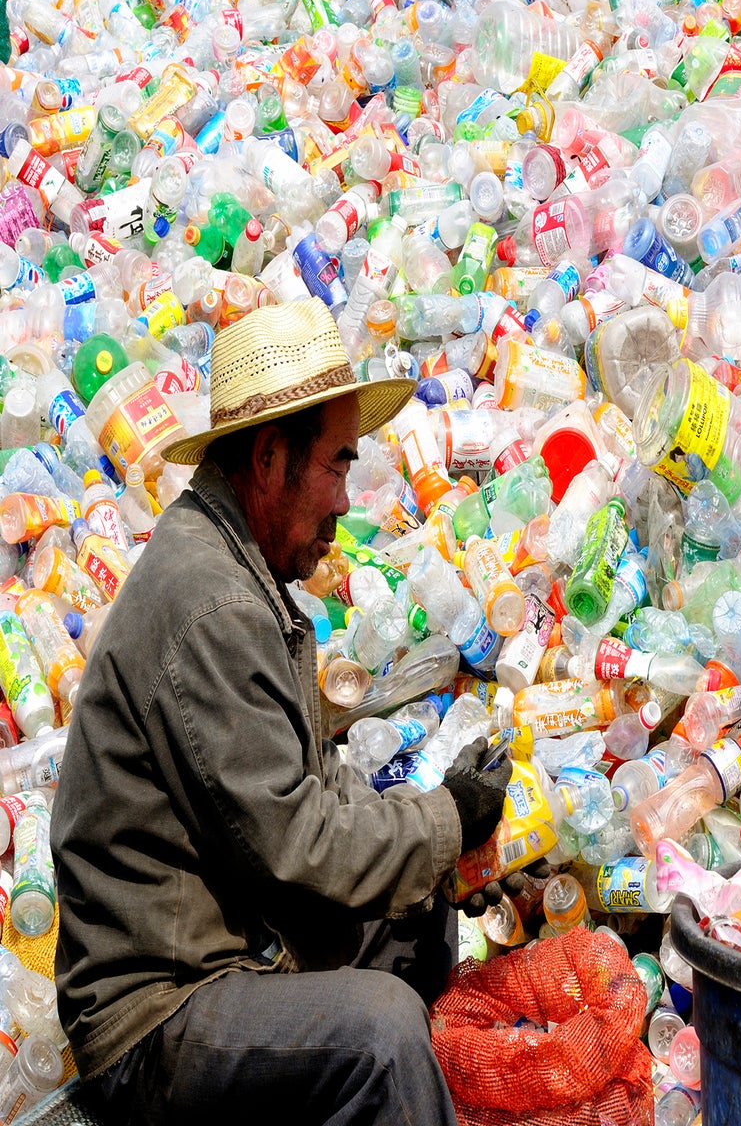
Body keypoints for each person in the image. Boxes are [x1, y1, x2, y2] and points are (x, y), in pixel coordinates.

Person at [52, 297, 513, 1125]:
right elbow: (296, 844)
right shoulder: (213, 602)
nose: (345, 500)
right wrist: (443, 821)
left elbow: (312, 786)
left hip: (230, 943)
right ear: (269, 459)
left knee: (417, 925)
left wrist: (436, 837)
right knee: (382, 1035)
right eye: (336, 465)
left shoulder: (238, 571)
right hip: (157, 1010)